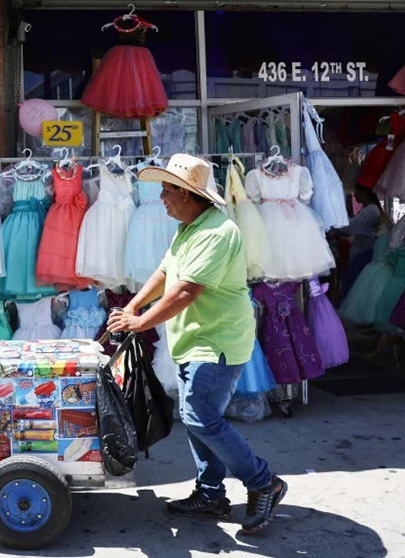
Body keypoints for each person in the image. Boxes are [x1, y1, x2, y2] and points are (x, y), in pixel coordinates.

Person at [106, 154, 287, 534]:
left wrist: (139, 322)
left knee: (199, 417)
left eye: (167, 191)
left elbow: (187, 290)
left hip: (216, 341)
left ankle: (263, 482)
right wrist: (133, 305)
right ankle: (209, 494)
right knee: (198, 419)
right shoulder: (190, 227)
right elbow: (165, 271)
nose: (162, 199)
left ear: (188, 195)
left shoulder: (216, 233)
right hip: (196, 340)